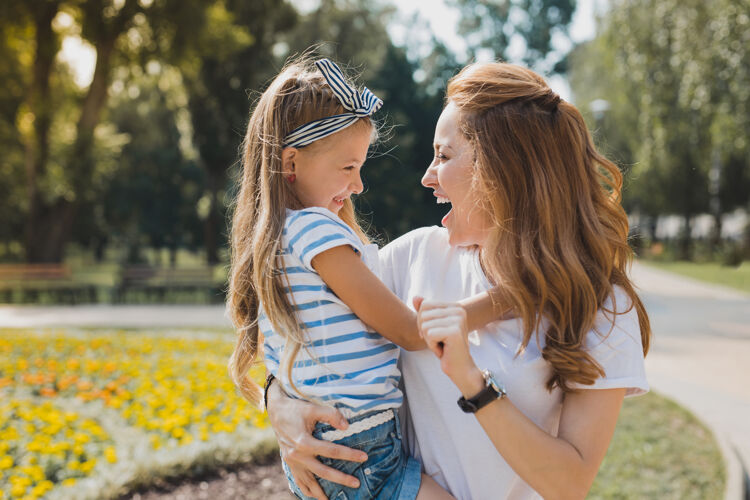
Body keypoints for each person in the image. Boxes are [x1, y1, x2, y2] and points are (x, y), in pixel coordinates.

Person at [265, 61, 652, 500]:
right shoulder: (412, 257)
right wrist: (278, 403)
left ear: (504, 172)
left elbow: (569, 483)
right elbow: (298, 324)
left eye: (444, 156)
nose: (427, 176)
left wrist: (474, 383)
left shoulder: (599, 301)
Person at [226, 56, 500, 500]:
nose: (357, 185)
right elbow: (411, 333)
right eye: (347, 167)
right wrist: (509, 299)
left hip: (342, 444)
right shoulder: (315, 232)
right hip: (357, 446)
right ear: (291, 162)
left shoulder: (280, 236)